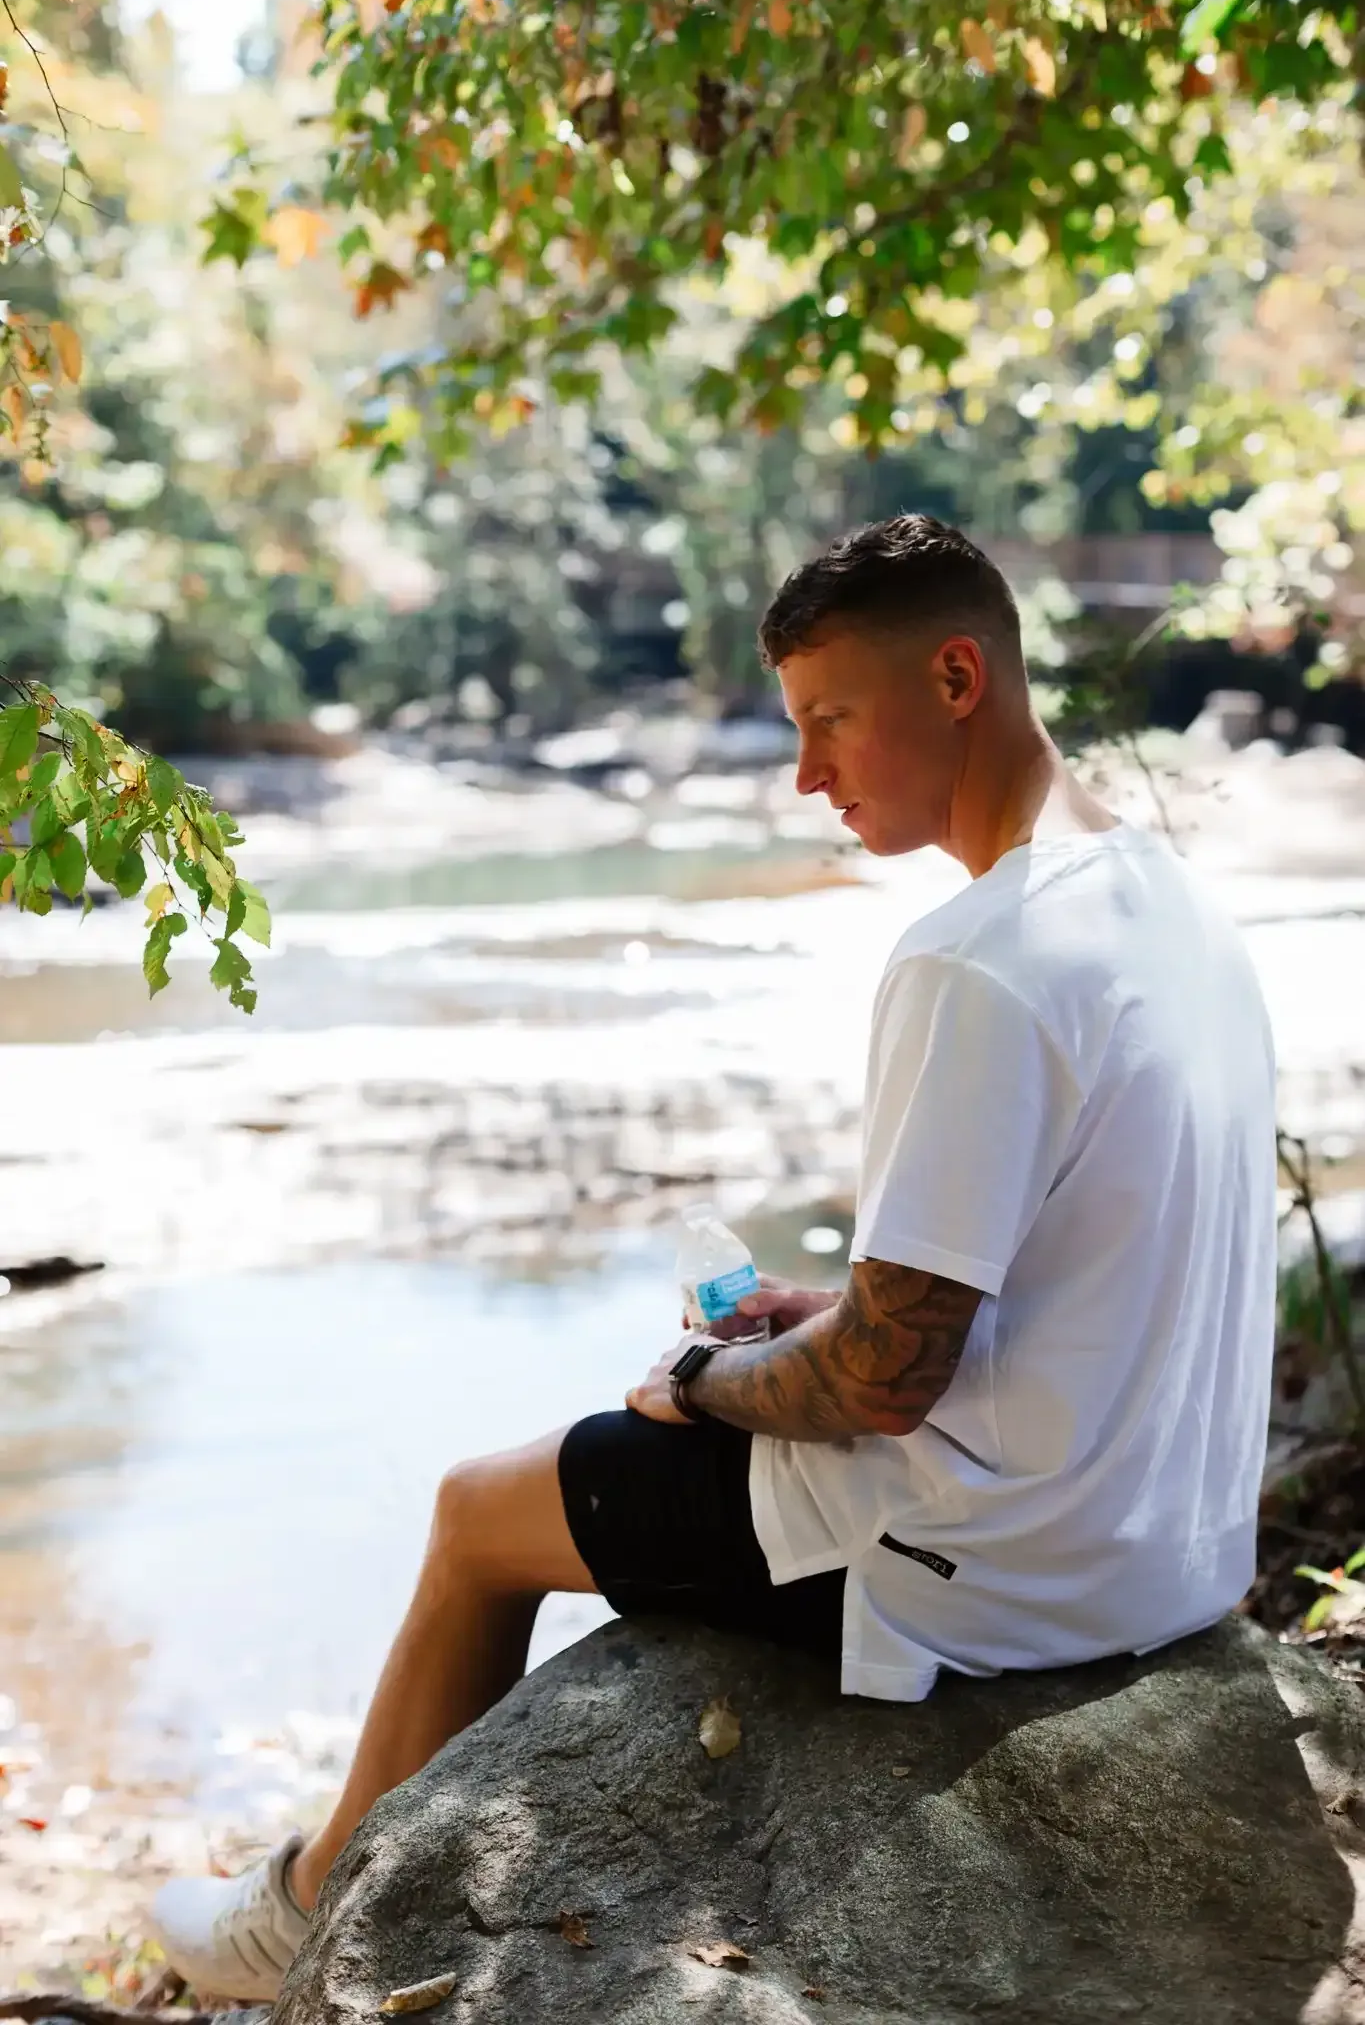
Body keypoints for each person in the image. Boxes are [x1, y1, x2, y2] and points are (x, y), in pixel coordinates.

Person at [149, 514, 1278, 1998]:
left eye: (830, 722)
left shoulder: (976, 957)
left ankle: (303, 1907)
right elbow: (1038, 1276)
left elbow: (883, 1382)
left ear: (956, 676)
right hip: (1167, 1549)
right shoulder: (1175, 907)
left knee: (481, 1512)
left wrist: (703, 1378)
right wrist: (835, 1318)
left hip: (992, 1573)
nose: (807, 774)